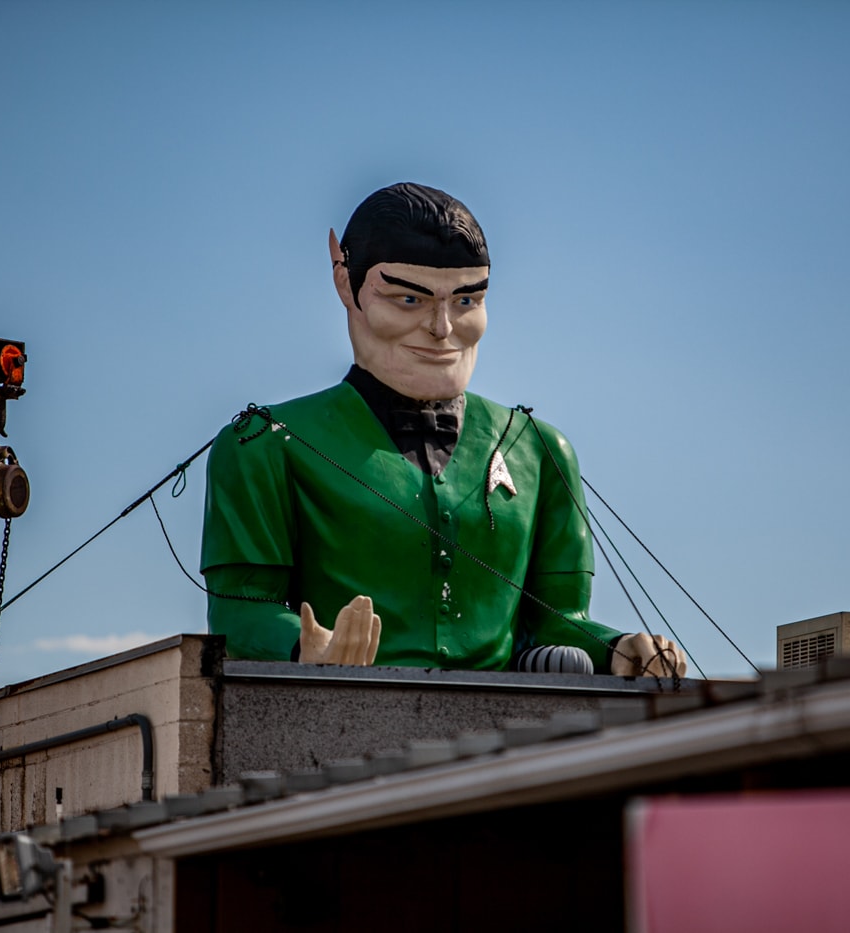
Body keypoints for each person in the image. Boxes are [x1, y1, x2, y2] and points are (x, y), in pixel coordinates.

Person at [200, 183, 685, 678]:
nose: (441, 327)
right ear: (344, 281)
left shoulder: (540, 450)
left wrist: (621, 647)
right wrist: (306, 649)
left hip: (509, 736)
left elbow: (557, 623)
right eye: (408, 298)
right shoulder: (262, 444)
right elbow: (239, 610)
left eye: (467, 300)